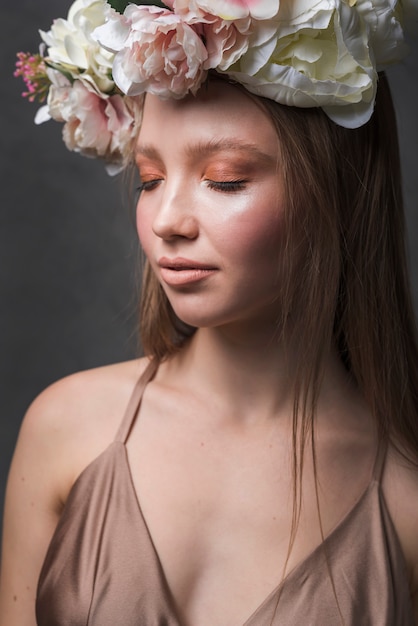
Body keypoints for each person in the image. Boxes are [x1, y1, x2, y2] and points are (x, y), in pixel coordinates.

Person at [1, 0, 418, 624]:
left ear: (337, 189)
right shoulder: (67, 428)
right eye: (149, 179)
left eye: (223, 179)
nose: (167, 221)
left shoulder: (406, 500)